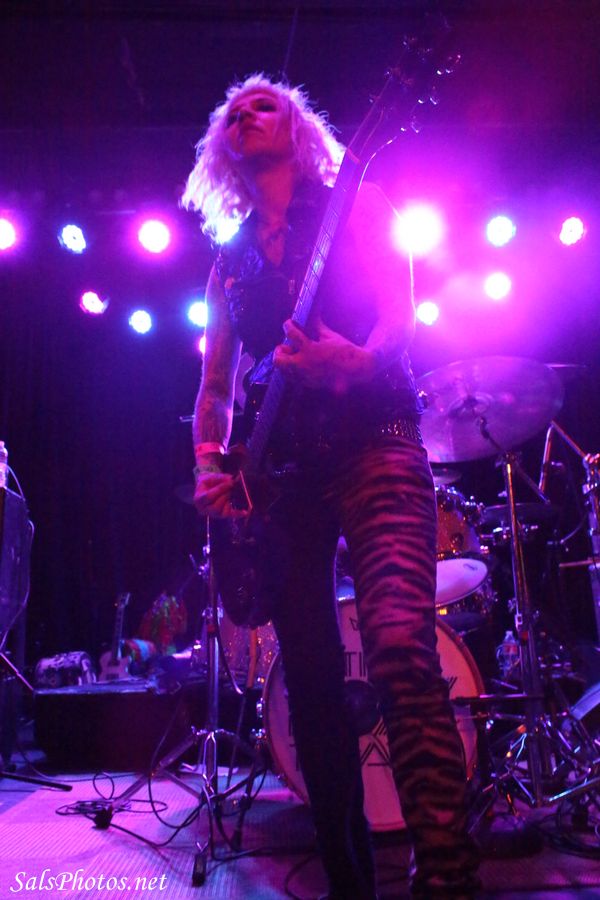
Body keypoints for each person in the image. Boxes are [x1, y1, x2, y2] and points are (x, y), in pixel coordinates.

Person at [182, 73, 480, 899]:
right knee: (311, 687)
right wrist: (210, 459)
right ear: (222, 147)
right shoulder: (229, 263)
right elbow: (215, 386)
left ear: (299, 126)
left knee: (399, 647)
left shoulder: (360, 203)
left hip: (376, 443)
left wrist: (360, 360)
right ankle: (351, 885)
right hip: (283, 480)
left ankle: (447, 875)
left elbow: (400, 316)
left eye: (265, 102)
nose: (246, 111)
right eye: (233, 108)